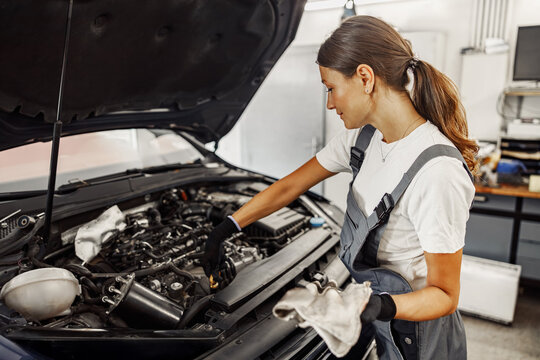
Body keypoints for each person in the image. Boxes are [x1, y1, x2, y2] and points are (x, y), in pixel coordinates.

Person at [202, 15, 478, 360]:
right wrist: (227, 227)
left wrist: (375, 306)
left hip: (421, 335)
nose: (330, 104)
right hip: (384, 315)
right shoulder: (361, 139)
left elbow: (445, 295)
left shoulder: (437, 171)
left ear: (364, 77)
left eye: (331, 88)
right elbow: (290, 186)